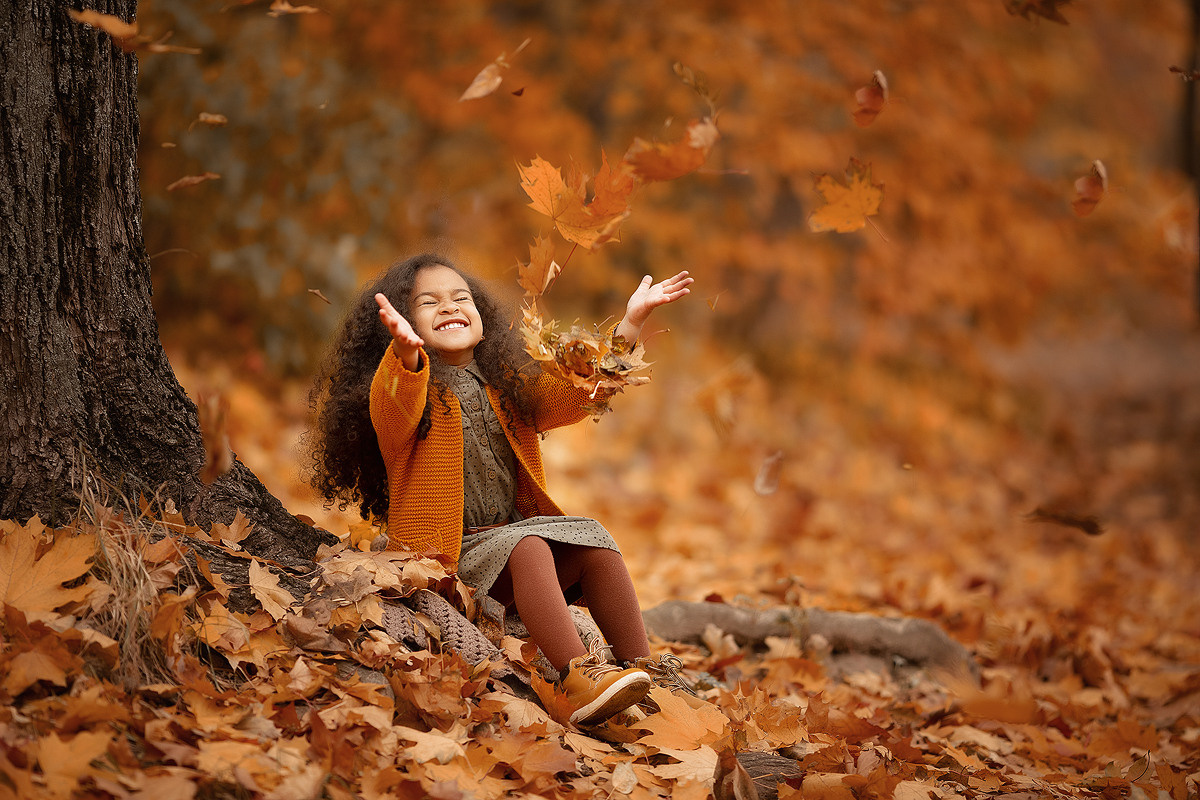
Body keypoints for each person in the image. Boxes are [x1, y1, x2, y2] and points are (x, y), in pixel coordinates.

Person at [310, 252, 693, 725]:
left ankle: (643, 670)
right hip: (449, 557)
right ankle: (579, 677)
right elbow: (390, 408)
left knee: (595, 542)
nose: (448, 307)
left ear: (483, 316)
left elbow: (579, 392)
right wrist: (406, 355)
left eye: (460, 298)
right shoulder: (411, 395)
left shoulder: (507, 386)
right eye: (427, 303)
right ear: (403, 323)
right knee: (528, 544)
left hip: (509, 550)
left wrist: (631, 323)